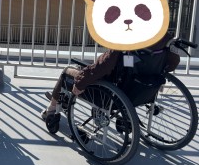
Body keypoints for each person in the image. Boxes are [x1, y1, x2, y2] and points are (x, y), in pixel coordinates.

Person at [41, 32, 180, 129]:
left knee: (67, 71)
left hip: (112, 96)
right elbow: (171, 65)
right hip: (142, 91)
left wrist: (81, 82)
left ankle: (51, 110)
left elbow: (103, 66)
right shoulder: (163, 38)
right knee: (96, 70)